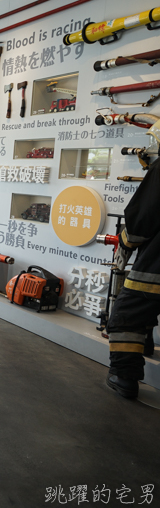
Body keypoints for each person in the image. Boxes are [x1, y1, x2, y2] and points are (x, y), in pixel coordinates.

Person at [105, 158, 160, 399]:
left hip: (155, 267)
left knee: (127, 315)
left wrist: (125, 244)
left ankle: (124, 377)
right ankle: (145, 342)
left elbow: (145, 215)